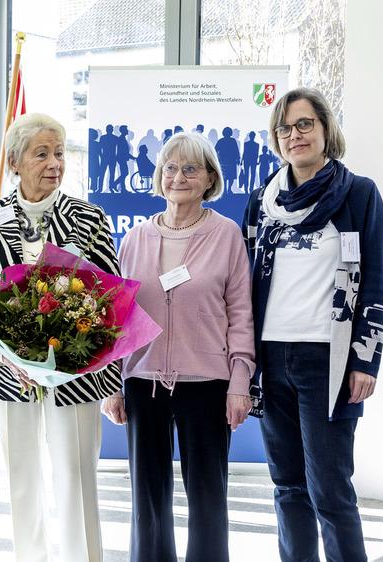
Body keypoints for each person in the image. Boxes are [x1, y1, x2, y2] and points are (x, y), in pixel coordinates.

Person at [0, 113, 121, 562]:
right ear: (14, 161)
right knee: (22, 479)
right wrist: (6, 358)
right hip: (7, 373)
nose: (54, 163)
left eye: (59, 153)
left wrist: (74, 352)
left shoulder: (88, 217)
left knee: (75, 477)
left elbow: (110, 295)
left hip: (76, 373)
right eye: (41, 154)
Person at [242, 87, 383, 562]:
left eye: (304, 124)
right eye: (284, 128)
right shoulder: (261, 202)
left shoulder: (358, 194)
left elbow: (378, 281)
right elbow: (242, 284)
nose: (295, 135)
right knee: (288, 486)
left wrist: (366, 360)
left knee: (329, 489)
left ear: (326, 128)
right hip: (270, 359)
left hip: (328, 359)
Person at [102, 132, 255, 562]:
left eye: (191, 169)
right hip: (143, 381)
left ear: (210, 179)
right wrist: (112, 384)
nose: (178, 177)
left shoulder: (226, 235)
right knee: (147, 501)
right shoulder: (135, 238)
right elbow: (117, 319)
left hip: (207, 383)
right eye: (170, 168)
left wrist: (239, 381)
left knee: (208, 498)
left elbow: (241, 314)